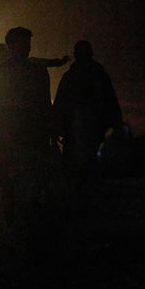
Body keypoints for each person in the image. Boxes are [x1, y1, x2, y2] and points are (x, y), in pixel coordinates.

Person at [0, 27, 53, 235]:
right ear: (10, 46)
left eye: (28, 45)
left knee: (12, 184)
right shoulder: (36, 72)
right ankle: (18, 226)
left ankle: (15, 226)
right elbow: (46, 106)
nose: (27, 49)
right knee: (19, 185)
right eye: (23, 45)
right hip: (24, 138)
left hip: (16, 137)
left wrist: (2, 103)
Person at [52, 40, 122, 184]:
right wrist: (115, 123)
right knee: (90, 163)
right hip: (92, 128)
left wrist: (56, 127)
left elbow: (60, 103)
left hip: (75, 128)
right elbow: (109, 99)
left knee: (73, 167)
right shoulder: (98, 74)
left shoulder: (70, 76)